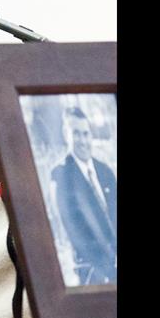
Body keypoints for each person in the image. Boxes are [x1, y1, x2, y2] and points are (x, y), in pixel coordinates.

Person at [51, 106, 116, 286]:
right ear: (66, 135)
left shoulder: (105, 171)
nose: (83, 140)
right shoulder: (60, 175)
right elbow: (73, 232)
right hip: (92, 272)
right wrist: (109, 263)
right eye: (76, 133)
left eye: (86, 134)